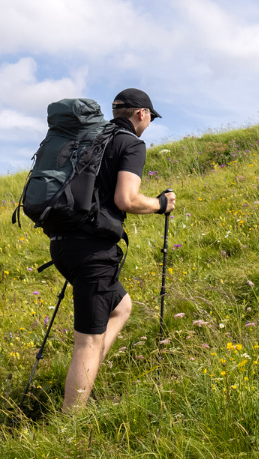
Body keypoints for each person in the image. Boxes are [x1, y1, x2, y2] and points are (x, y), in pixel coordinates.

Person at [48, 88, 175, 412]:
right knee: (87, 341)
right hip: (92, 252)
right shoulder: (130, 143)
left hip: (62, 245)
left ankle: (85, 376)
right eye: (149, 118)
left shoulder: (91, 140)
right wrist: (160, 204)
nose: (147, 124)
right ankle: (68, 426)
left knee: (121, 306)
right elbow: (127, 199)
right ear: (141, 114)